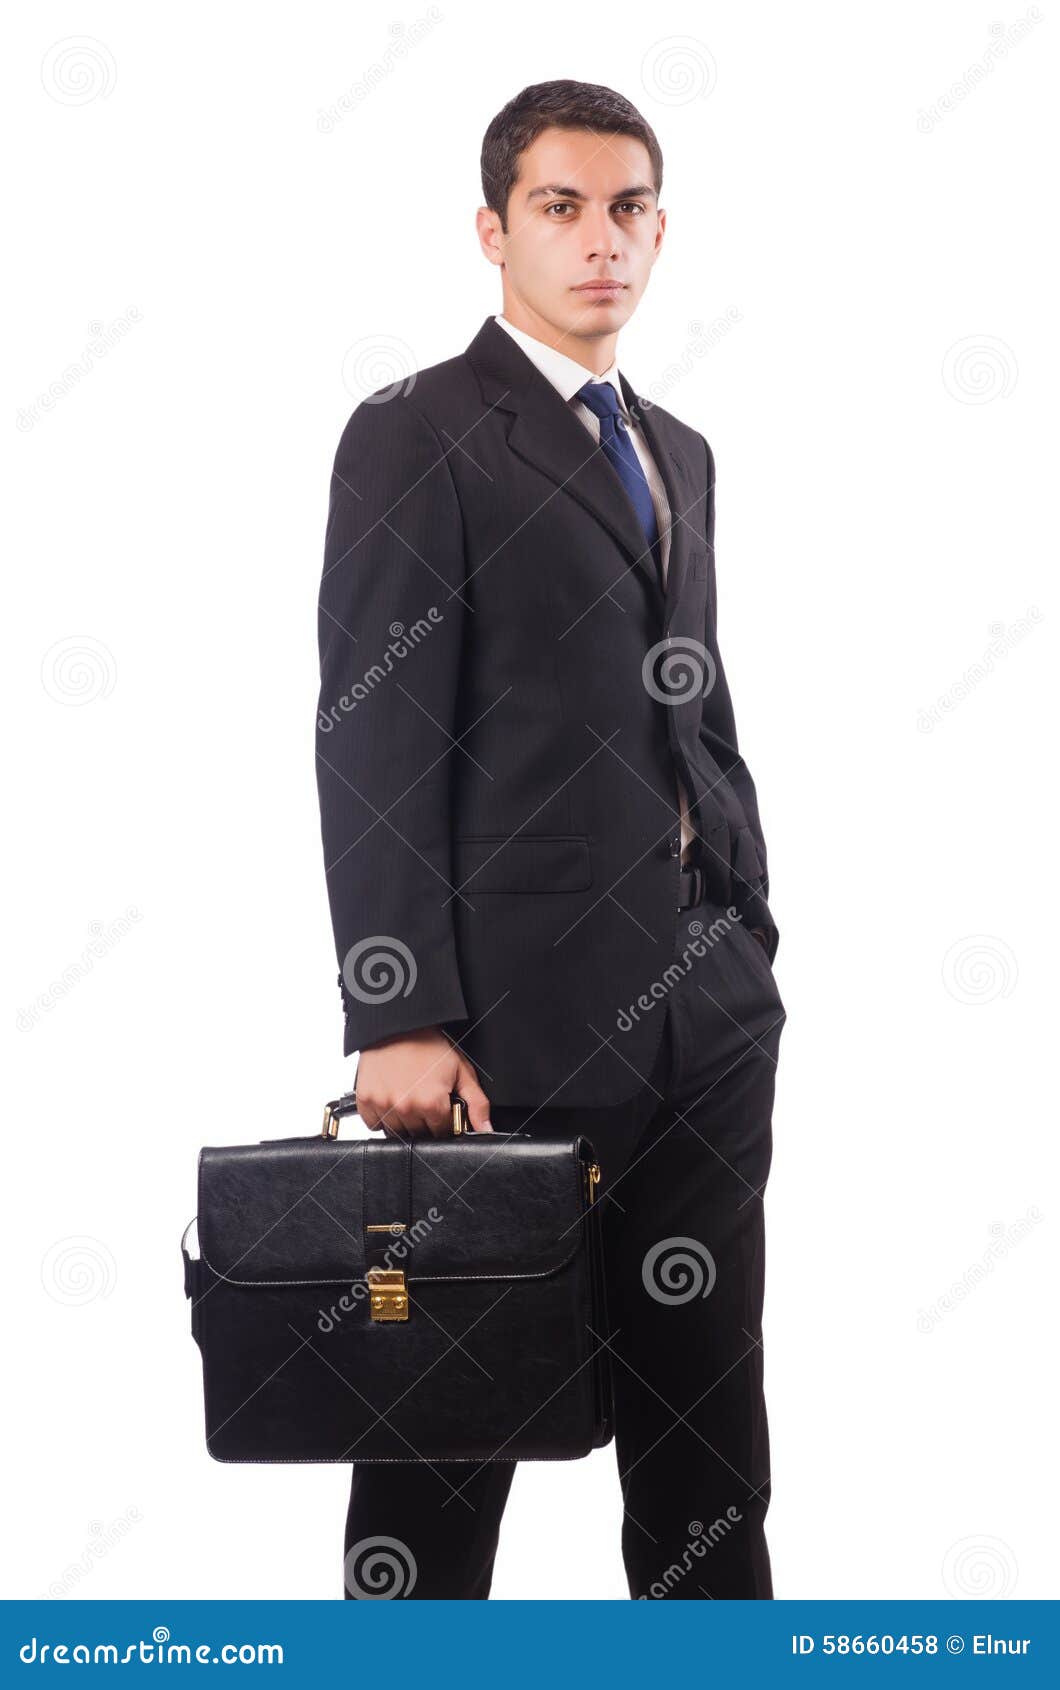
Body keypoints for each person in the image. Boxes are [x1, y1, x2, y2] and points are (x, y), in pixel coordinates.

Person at [316, 79, 786, 1600]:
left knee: (708, 1437)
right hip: (505, 1028)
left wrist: (745, 923)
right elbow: (373, 731)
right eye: (563, 208)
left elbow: (686, 710)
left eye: (630, 208)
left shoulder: (681, 448)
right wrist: (398, 1007)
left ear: (663, 230)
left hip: (702, 1013)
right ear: (492, 229)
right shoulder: (420, 434)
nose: (603, 241)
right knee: (449, 1433)